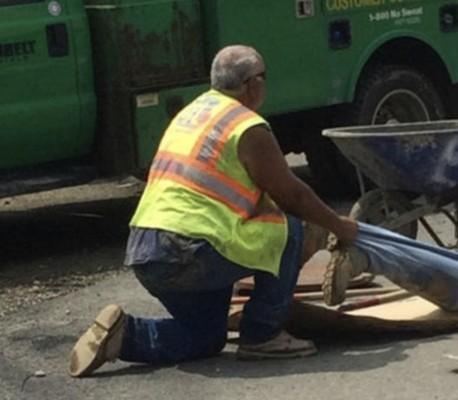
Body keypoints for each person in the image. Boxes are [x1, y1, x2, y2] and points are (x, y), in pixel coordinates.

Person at [68, 45, 358, 377]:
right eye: (264, 78)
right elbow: (293, 195)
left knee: (204, 337)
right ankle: (263, 335)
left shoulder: (191, 114)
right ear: (252, 85)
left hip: (146, 252)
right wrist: (338, 225)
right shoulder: (247, 126)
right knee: (291, 224)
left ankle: (124, 335)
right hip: (190, 251)